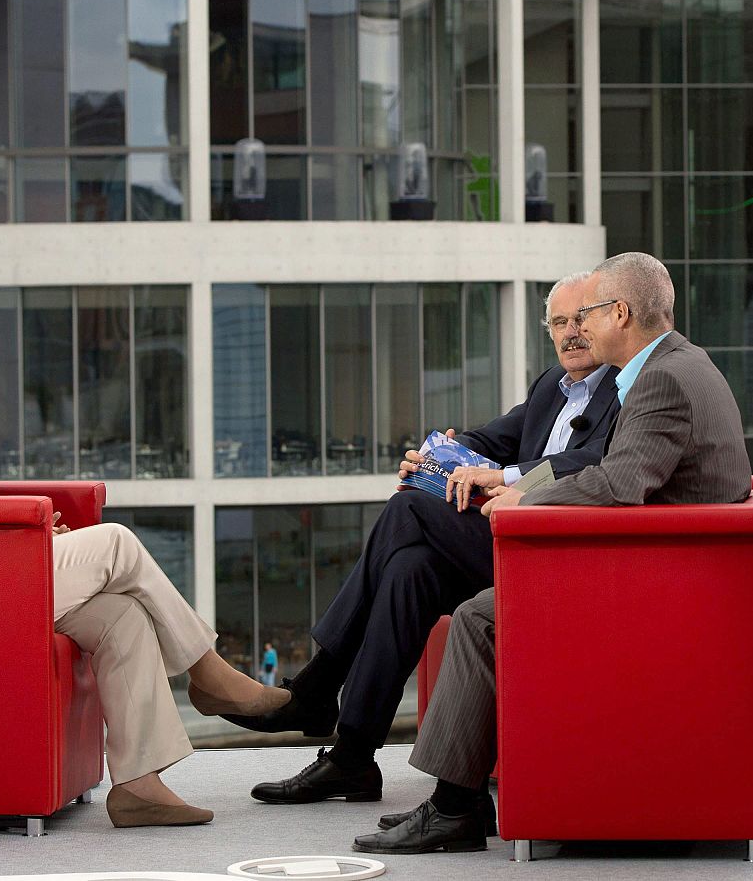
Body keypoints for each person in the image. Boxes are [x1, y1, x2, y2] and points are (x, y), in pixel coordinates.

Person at [355, 251, 753, 854]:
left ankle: (451, 807)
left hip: (654, 583)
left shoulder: (662, 378)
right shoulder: (674, 366)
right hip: (666, 566)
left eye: (589, 313)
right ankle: (432, 792)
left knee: (479, 617)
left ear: (621, 313)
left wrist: (520, 500)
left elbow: (618, 483)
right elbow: (613, 473)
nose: (579, 329)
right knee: (422, 567)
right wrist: (503, 480)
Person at [0, 300, 289, 827]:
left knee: (123, 615)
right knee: (116, 541)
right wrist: (21, 536)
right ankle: (209, 674)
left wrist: (30, 530)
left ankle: (139, 786)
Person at [224, 273, 621, 806]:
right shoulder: (553, 385)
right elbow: (494, 436)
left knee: (409, 504)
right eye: (558, 322)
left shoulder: (627, 388)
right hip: (503, 541)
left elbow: (594, 464)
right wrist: (441, 451)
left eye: (580, 320)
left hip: (552, 552)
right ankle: (353, 757)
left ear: (603, 320)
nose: (570, 333)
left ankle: (316, 688)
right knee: (406, 570)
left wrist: (512, 477)